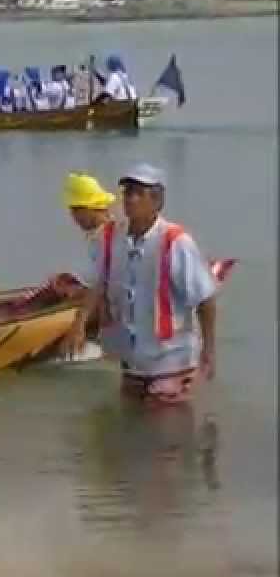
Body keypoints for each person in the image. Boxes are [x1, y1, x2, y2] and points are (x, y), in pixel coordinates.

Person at [65, 164, 219, 404]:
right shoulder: (109, 238)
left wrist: (209, 350)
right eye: (127, 192)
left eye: (138, 193)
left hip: (172, 361)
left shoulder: (175, 242)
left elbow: (205, 299)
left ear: (156, 201)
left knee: (167, 424)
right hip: (132, 363)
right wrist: (79, 324)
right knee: (130, 422)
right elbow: (97, 283)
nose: (130, 199)